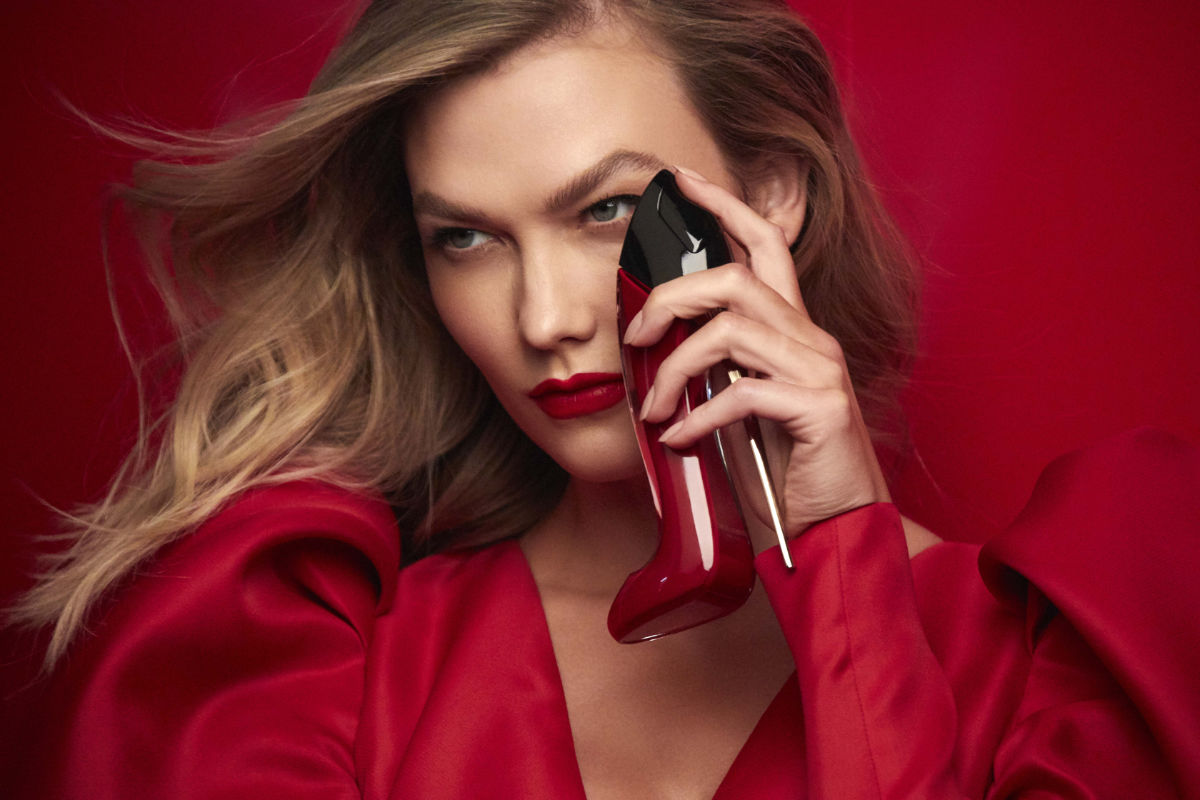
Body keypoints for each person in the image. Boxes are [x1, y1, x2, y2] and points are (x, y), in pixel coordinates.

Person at [7, 0, 1198, 797]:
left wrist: (841, 558)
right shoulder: (342, 664)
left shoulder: (1040, 672)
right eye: (464, 237)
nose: (542, 317)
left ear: (770, 191)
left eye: (605, 211)